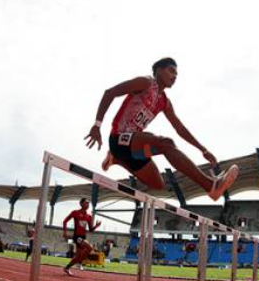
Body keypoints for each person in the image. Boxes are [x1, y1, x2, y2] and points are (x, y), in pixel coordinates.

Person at [84, 57, 238, 201]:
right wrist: (97, 125)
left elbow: (180, 128)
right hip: (118, 138)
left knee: (158, 184)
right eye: (171, 71)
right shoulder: (145, 83)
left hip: (131, 148)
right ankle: (211, 186)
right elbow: (110, 93)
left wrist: (203, 150)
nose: (174, 76)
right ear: (158, 70)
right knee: (165, 143)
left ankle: (116, 159)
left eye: (177, 74)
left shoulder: (165, 102)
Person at [62, 198, 101, 276]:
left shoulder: (89, 216)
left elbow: (90, 229)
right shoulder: (75, 212)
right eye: (86, 203)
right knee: (89, 247)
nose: (87, 204)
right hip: (77, 236)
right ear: (81, 204)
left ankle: (66, 268)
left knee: (78, 257)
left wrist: (96, 226)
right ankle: (80, 263)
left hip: (83, 236)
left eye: (88, 203)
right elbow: (65, 221)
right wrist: (65, 232)